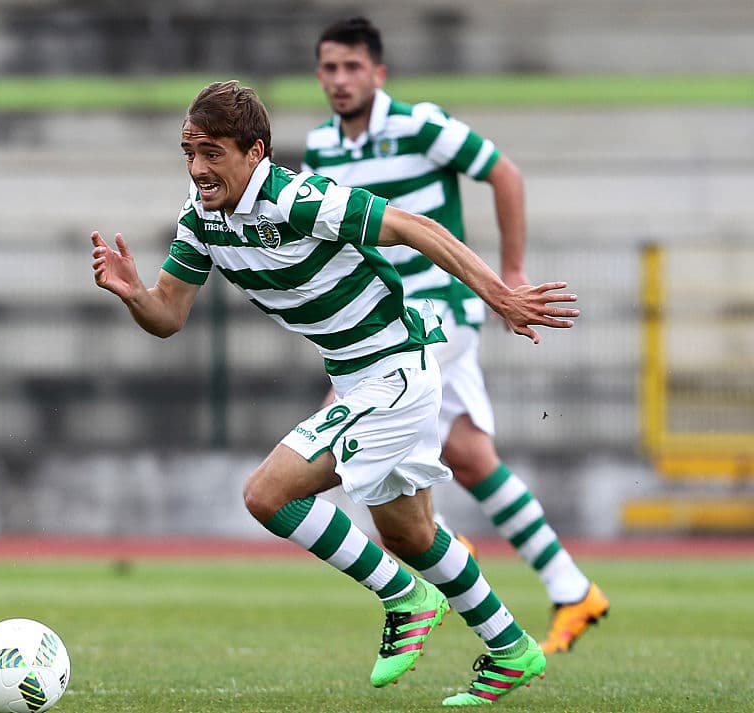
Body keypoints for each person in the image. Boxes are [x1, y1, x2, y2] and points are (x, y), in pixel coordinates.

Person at [92, 80, 579, 705]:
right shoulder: (200, 216)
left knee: (267, 494)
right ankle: (511, 648)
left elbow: (413, 226)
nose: (198, 168)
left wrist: (499, 294)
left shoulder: (296, 197)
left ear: (255, 152)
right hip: (362, 376)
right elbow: (170, 316)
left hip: (394, 371)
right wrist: (135, 295)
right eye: (189, 152)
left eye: (213, 153)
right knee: (409, 536)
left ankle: (404, 597)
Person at [303, 16, 609, 657]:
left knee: (362, 416)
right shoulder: (321, 148)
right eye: (329, 67)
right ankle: (571, 588)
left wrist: (513, 274)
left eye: (352, 66)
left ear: (377, 73)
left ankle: (437, 542)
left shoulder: (422, 125)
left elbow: (505, 174)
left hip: (439, 311)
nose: (339, 79)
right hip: (386, 314)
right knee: (468, 456)